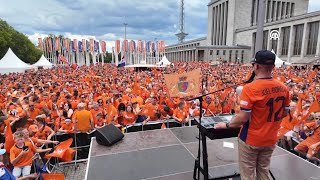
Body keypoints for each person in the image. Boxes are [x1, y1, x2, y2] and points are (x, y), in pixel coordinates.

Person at [215, 50, 290, 180]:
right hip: (271, 138)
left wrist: (226, 125)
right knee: (263, 172)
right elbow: (285, 112)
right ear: (273, 67)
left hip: (251, 139)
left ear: (256, 66)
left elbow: (243, 117)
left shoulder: (250, 88)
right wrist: (268, 121)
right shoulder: (284, 88)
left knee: (248, 175)